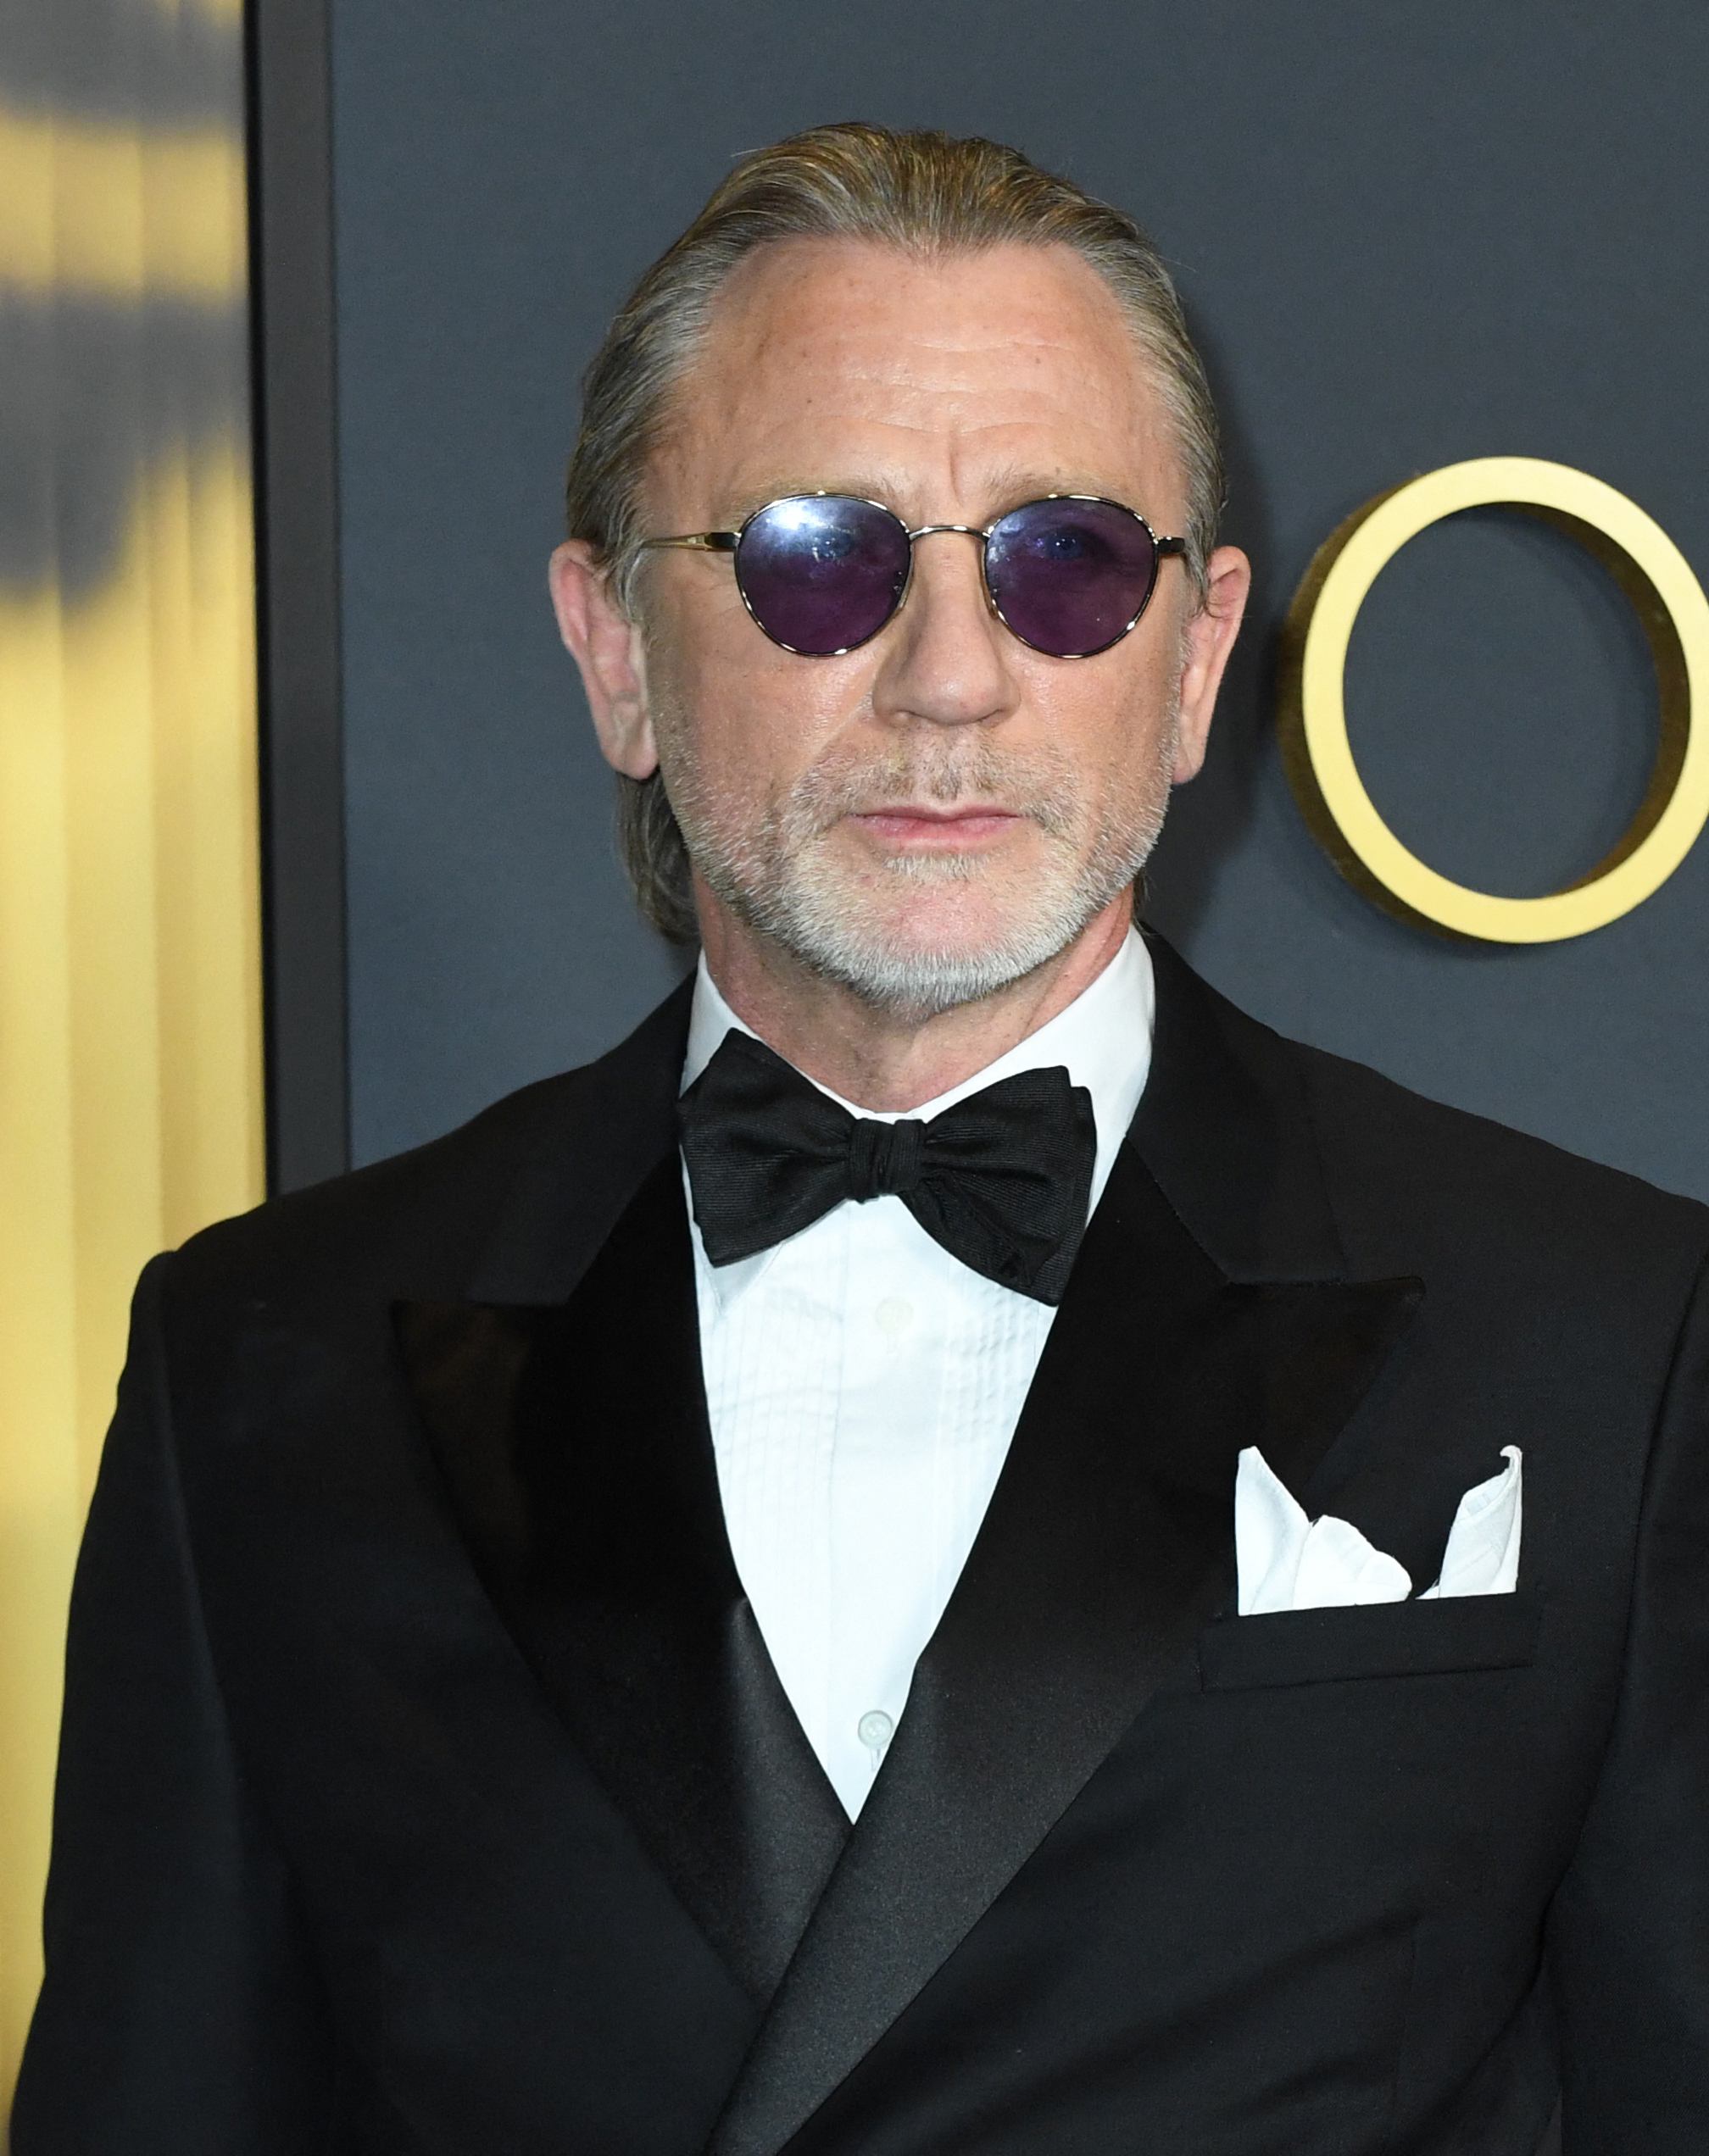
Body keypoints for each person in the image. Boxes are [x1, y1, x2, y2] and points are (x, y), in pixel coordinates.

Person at [13, 123, 1709, 2156]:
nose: (953, 678)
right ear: (616, 648)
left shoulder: (1612, 1340)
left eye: (1064, 561)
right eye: (825, 558)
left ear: (1191, 659)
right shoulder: (264, 1369)